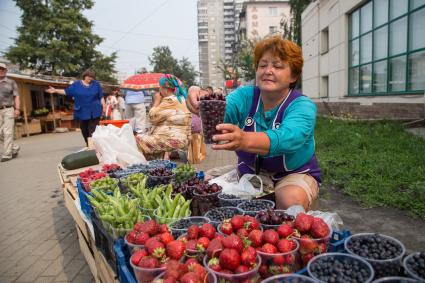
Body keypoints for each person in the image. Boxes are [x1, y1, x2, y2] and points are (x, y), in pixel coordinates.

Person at [212, 36, 320, 211]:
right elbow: (220, 111)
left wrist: (244, 140)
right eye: (262, 65)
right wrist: (200, 102)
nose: (268, 71)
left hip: (291, 174)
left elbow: (289, 137)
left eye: (277, 66)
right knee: (208, 187)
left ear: (293, 75)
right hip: (249, 172)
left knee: (289, 200)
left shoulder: (302, 105)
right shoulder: (244, 96)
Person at [136, 74, 191, 160]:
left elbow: (152, 118)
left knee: (138, 139)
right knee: (149, 136)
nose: (159, 90)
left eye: (160, 87)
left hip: (170, 139)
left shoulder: (169, 100)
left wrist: (157, 101)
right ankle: (159, 164)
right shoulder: (182, 99)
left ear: (165, 89)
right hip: (182, 138)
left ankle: (147, 165)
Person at [46, 69, 105, 146]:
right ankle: (88, 143)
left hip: (94, 111)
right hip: (82, 111)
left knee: (92, 129)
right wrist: (55, 90)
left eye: (92, 77)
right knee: (84, 129)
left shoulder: (96, 84)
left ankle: (93, 146)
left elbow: (101, 97)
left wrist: (104, 106)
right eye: (89, 77)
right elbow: (66, 92)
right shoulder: (76, 85)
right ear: (84, 76)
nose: (90, 79)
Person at [0, 62, 20, 162]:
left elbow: (16, 96)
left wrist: (17, 109)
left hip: (8, 109)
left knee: (7, 132)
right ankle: (14, 147)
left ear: (6, 71)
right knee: (0, 133)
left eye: (2, 69)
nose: (1, 71)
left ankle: (7, 154)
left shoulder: (11, 82)